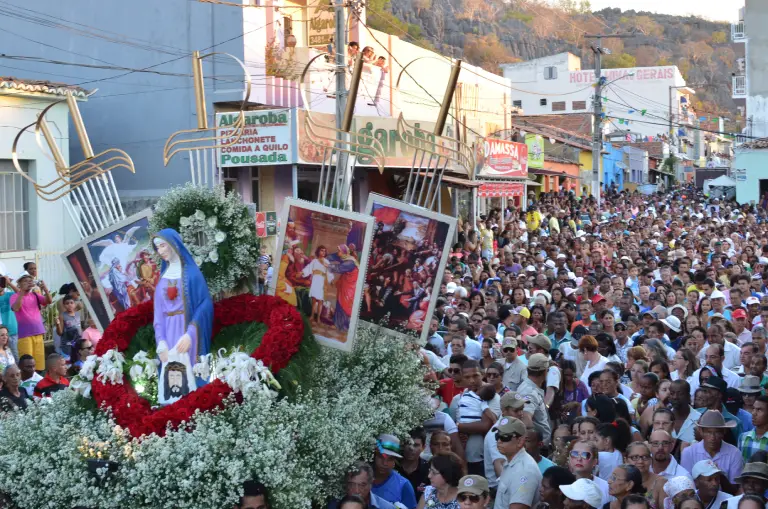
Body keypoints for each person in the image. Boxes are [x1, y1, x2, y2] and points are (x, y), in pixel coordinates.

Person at [152, 230, 214, 405]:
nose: (160, 251)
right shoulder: (162, 278)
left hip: (187, 335)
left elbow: (205, 305)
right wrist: (161, 342)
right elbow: (158, 316)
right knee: (172, 382)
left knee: (191, 381)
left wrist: (190, 334)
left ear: (174, 244)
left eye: (163, 245)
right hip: (168, 337)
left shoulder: (192, 274)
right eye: (157, 247)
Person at [680, 410, 743, 488]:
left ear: (724, 432)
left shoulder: (735, 453)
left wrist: (718, 475)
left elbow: (735, 488)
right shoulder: (688, 453)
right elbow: (686, 485)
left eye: (717, 432)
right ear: (701, 431)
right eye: (708, 432)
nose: (712, 437)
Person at [457, 360, 496, 476]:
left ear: (482, 374)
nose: (472, 381)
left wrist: (460, 427)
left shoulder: (490, 395)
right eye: (467, 377)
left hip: (482, 453)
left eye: (475, 376)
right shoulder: (465, 395)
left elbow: (486, 425)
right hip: (467, 453)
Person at [494, 416, 541, 509]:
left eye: (505, 437)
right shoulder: (512, 462)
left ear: (520, 441)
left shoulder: (525, 470)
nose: (499, 441)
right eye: (497, 436)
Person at [10, 274, 51, 368]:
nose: (28, 282)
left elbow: (48, 301)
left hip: (38, 332)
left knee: (39, 365)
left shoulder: (35, 295)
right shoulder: (14, 296)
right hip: (25, 335)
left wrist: (45, 289)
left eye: (30, 281)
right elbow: (16, 308)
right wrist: (22, 292)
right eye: (25, 281)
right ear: (19, 284)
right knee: (27, 365)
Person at [372, 434, 417, 509]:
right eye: (381, 457)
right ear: (374, 456)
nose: (384, 463)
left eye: (390, 459)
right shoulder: (361, 480)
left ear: (395, 461)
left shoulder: (403, 485)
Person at [516, 353, 552, 445]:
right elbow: (525, 417)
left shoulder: (530, 387)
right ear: (545, 372)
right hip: (538, 447)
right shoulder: (530, 391)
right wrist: (534, 444)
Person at [328, 461, 395, 509]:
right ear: (346, 484)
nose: (356, 491)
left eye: (362, 485)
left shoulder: (385, 507)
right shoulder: (334, 505)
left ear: (371, 484)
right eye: (352, 484)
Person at [569, 440, 611, 506]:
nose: (579, 459)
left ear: (595, 461)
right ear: (569, 458)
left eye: (586, 455)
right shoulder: (563, 483)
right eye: (575, 454)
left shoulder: (606, 488)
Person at [625, 442, 666, 509]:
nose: (640, 461)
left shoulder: (660, 483)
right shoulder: (621, 481)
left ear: (650, 460)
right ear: (626, 460)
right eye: (635, 457)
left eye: (645, 457)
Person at [398, 428, 430, 499]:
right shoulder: (393, 465)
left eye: (416, 445)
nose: (411, 448)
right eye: (408, 443)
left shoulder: (428, 470)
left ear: (423, 447)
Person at [0, 274, 19, 361]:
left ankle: (17, 373)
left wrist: (9, 283)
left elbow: (21, 294)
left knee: (14, 355)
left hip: (12, 331)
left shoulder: (10, 295)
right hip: (1, 332)